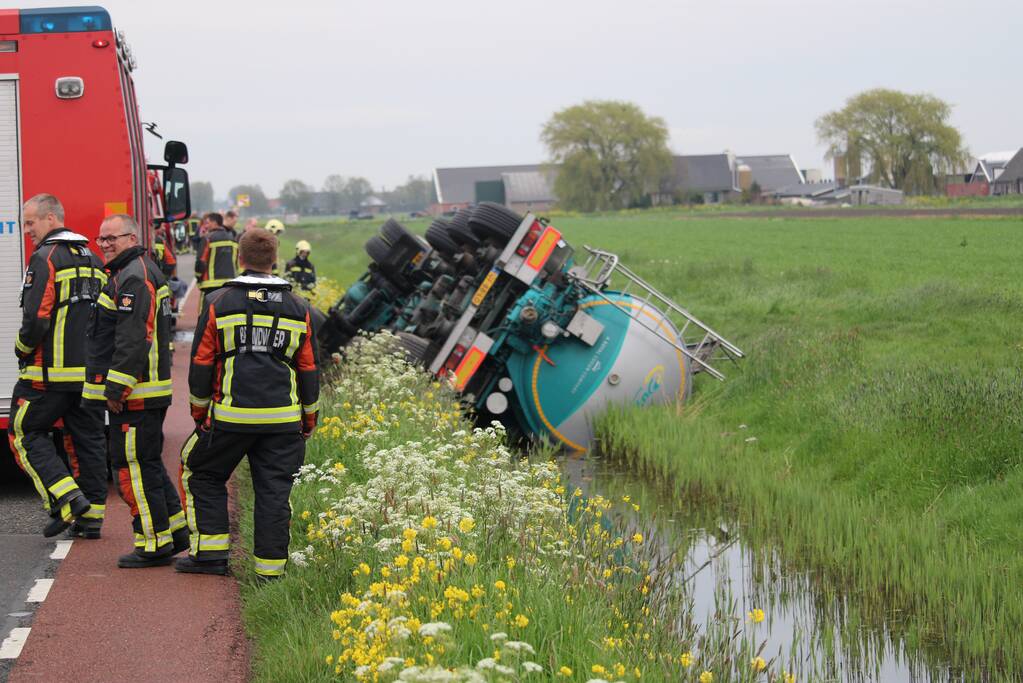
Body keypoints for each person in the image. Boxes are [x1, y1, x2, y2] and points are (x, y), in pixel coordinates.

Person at [177, 228, 319, 579]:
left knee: (202, 471)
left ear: (239, 258)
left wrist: (200, 413)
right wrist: (308, 418)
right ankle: (270, 572)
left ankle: (209, 555)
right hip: (283, 420)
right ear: (275, 260)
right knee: (274, 491)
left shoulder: (218, 302)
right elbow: (308, 367)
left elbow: (202, 363)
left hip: (229, 418)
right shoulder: (299, 307)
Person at [84, 214, 186, 568]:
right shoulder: (133, 270)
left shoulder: (133, 277)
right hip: (144, 391)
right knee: (147, 464)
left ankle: (153, 543)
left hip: (136, 393)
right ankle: (174, 530)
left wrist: (116, 387)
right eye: (101, 239)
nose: (105, 244)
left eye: (112, 238)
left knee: (131, 468)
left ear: (131, 238)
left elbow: (131, 337)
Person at [8, 194, 107, 538]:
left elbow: (36, 319)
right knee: (88, 440)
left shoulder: (45, 258)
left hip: (47, 375)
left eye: (30, 222)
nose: (27, 230)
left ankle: (66, 497)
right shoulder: (94, 259)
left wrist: (21, 350)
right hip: (89, 376)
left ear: (51, 218)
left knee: (23, 431)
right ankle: (91, 519)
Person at [194, 212, 238, 307]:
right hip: (229, 284)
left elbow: (201, 261)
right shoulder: (232, 239)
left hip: (209, 284)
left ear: (215, 223)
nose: (205, 225)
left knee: (205, 313)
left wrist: (198, 277)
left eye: (207, 223)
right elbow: (236, 261)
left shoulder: (207, 238)